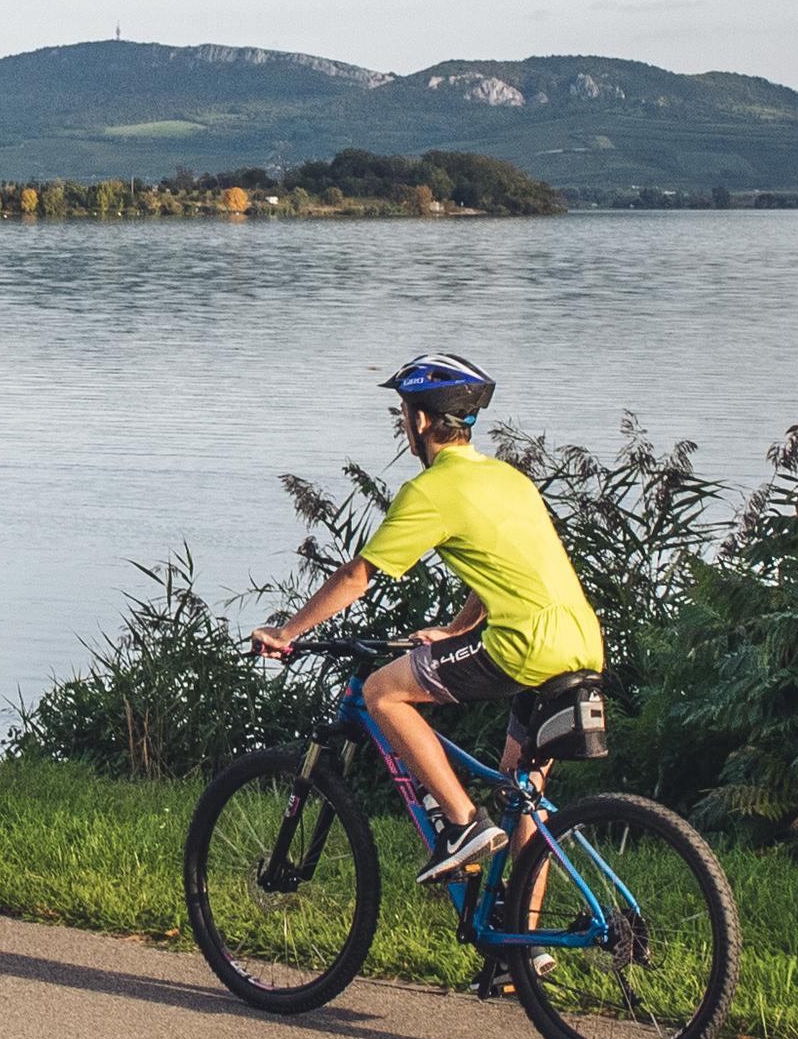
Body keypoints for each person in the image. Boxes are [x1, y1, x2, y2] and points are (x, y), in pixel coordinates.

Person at [248, 352, 606, 889]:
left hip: (523, 646)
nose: (403, 425)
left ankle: (462, 825)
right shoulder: (508, 479)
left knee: (382, 692)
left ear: (419, 420)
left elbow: (357, 575)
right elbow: (504, 577)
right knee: (520, 792)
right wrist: (458, 631)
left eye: (402, 413)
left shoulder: (433, 490)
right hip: (579, 642)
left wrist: (287, 632)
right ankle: (523, 957)